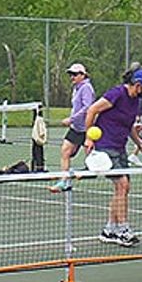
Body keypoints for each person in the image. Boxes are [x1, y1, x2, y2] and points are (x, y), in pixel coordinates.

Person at [83, 66, 142, 247]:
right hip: (105, 146)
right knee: (122, 184)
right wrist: (88, 137)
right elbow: (92, 110)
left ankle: (109, 229)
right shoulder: (116, 94)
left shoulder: (135, 101)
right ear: (138, 85)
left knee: (123, 188)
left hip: (120, 147)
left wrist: (141, 145)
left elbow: (129, 125)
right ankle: (123, 229)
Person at [49, 63, 95, 192]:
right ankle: (65, 181)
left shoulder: (86, 88)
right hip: (76, 128)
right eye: (71, 74)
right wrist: (73, 120)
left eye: (75, 74)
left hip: (86, 127)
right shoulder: (76, 88)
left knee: (91, 158)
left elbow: (87, 108)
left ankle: (90, 172)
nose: (72, 77)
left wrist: (71, 119)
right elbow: (77, 107)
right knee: (65, 151)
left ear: (83, 75)